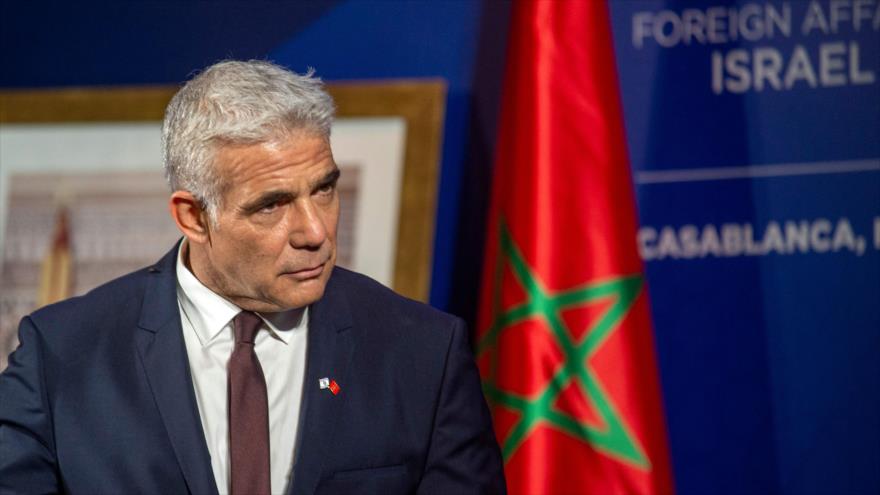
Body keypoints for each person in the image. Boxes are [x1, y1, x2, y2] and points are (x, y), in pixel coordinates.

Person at [0, 60, 506, 495]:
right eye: (273, 205)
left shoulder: (423, 354)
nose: (315, 231)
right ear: (194, 217)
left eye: (325, 190)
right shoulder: (61, 355)